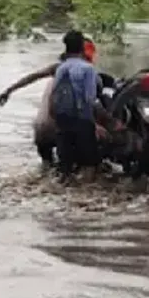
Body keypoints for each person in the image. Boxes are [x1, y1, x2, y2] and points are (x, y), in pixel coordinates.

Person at [0, 38, 101, 167]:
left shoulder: (57, 69)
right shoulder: (89, 73)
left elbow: (32, 77)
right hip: (65, 127)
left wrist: (8, 91)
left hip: (41, 129)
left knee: (48, 166)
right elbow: (91, 103)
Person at [49, 30, 110, 183]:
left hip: (62, 118)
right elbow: (90, 99)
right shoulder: (87, 69)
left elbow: (54, 93)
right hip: (82, 118)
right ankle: (86, 191)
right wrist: (98, 123)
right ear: (82, 47)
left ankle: (64, 187)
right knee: (90, 162)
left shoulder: (61, 68)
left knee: (65, 163)